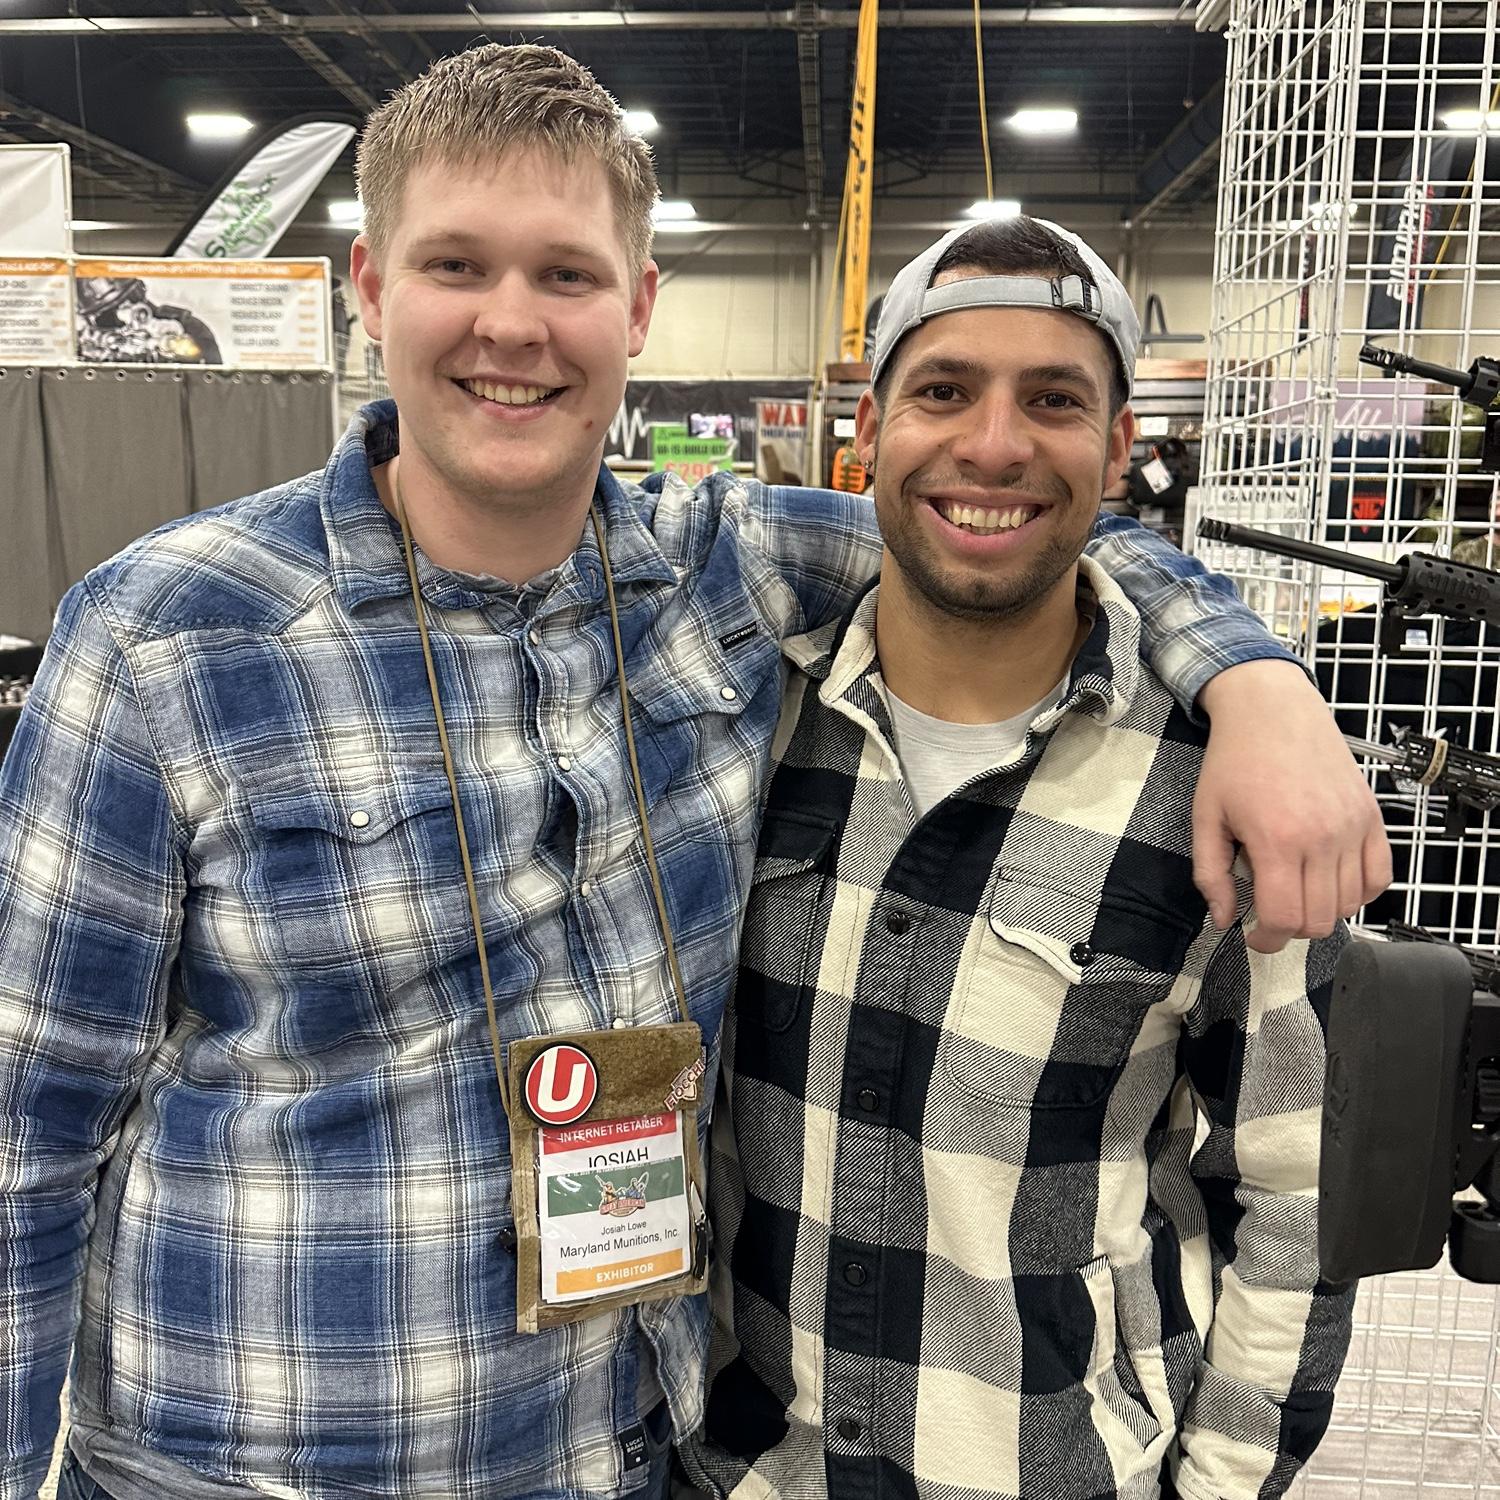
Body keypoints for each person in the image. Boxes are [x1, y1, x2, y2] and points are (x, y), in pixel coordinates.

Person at [0, 44, 1384, 1500]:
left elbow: (1008, 526)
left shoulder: (723, 570)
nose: (512, 325)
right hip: (247, 1471)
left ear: (640, 306)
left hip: (626, 1457)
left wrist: (1260, 681)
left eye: (569, 276)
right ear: (369, 286)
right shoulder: (167, 637)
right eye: (457, 265)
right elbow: (23, 1142)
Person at [681, 218, 1353, 1500]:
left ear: (1115, 450)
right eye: (944, 391)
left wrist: (1217, 1485)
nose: (993, 443)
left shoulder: (1218, 788)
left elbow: (1297, 1190)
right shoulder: (747, 735)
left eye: (1053, 400)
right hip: (750, 1470)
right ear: (868, 431)